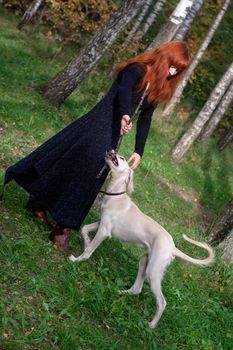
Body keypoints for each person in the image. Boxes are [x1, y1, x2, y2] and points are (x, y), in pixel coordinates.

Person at [4, 40, 190, 252]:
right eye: (172, 65)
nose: (173, 71)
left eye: (178, 70)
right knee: (87, 173)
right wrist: (125, 114)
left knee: (77, 166)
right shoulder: (135, 69)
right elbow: (124, 94)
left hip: (114, 132)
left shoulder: (159, 86)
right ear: (164, 57)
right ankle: (61, 230)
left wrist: (139, 150)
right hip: (100, 123)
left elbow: (146, 118)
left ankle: (39, 203)